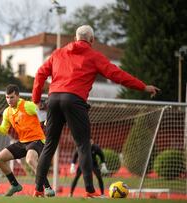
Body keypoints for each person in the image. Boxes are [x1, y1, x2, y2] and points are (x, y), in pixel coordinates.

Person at [32, 25, 160, 197]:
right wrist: (143, 87)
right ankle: (90, 191)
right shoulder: (94, 56)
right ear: (92, 40)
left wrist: (36, 99)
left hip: (53, 99)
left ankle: (38, 189)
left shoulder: (58, 53)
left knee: (49, 145)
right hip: (74, 100)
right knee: (83, 145)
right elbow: (118, 75)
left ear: (75, 38)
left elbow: (40, 73)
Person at [0, 84, 55, 197]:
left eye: (12, 97)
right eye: (7, 97)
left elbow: (44, 111)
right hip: (22, 142)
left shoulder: (27, 105)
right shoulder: (7, 112)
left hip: (37, 140)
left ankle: (47, 187)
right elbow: (4, 130)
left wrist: (47, 119)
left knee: (30, 160)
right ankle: (15, 185)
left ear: (18, 96)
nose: (9, 100)